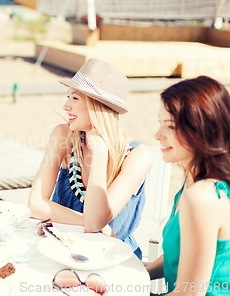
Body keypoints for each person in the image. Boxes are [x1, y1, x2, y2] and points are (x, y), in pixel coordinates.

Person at [28, 58, 153, 259]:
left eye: (75, 99)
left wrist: (100, 153)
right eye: (68, 97)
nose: (65, 106)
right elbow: (35, 204)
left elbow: (96, 223)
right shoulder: (64, 136)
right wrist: (87, 221)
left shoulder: (138, 156)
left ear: (98, 106)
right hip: (60, 249)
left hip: (112, 258)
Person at [146, 76, 230, 295]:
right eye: (160, 123)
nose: (157, 135)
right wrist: (136, 273)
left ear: (201, 129)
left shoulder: (203, 197)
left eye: (171, 126)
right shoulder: (193, 180)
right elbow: (181, 255)